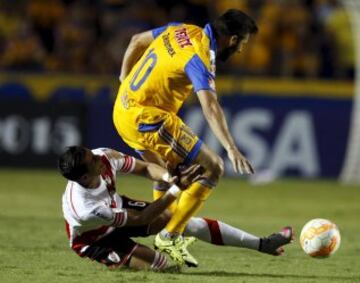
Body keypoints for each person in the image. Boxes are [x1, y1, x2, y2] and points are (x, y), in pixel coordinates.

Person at [113, 9, 258, 266]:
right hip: (149, 118)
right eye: (242, 44)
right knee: (213, 167)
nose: (240, 51)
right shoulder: (200, 57)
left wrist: (124, 78)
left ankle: (160, 226)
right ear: (233, 40)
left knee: (165, 172)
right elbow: (210, 107)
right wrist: (232, 148)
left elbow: (136, 40)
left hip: (122, 110)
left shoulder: (180, 29)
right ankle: (171, 233)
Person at [59, 146, 294, 271]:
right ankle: (124, 260)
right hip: (96, 239)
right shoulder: (85, 208)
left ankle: (263, 244)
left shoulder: (104, 157)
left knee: (177, 220)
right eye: (94, 161)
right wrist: (177, 189)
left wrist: (171, 178)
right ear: (84, 177)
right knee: (163, 267)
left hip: (117, 207)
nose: (100, 157)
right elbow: (141, 219)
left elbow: (144, 168)